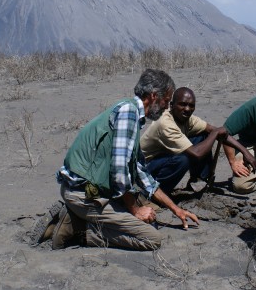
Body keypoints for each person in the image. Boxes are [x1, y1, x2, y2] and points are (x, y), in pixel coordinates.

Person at [38, 69, 199, 251]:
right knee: (151, 238)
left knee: (145, 218)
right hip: (83, 194)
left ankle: (79, 216)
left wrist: (175, 209)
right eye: (166, 101)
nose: (166, 107)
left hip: (88, 191)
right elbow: (120, 171)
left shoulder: (130, 112)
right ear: (154, 96)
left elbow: (141, 172)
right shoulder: (128, 113)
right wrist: (135, 211)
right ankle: (77, 228)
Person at [141, 87, 256, 194]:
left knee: (203, 135)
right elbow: (197, 153)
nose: (187, 109)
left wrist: (244, 152)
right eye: (182, 104)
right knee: (183, 159)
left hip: (163, 158)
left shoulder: (188, 119)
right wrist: (215, 133)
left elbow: (219, 132)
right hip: (144, 169)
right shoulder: (165, 123)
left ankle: (198, 182)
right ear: (172, 105)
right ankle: (155, 193)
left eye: (191, 106)